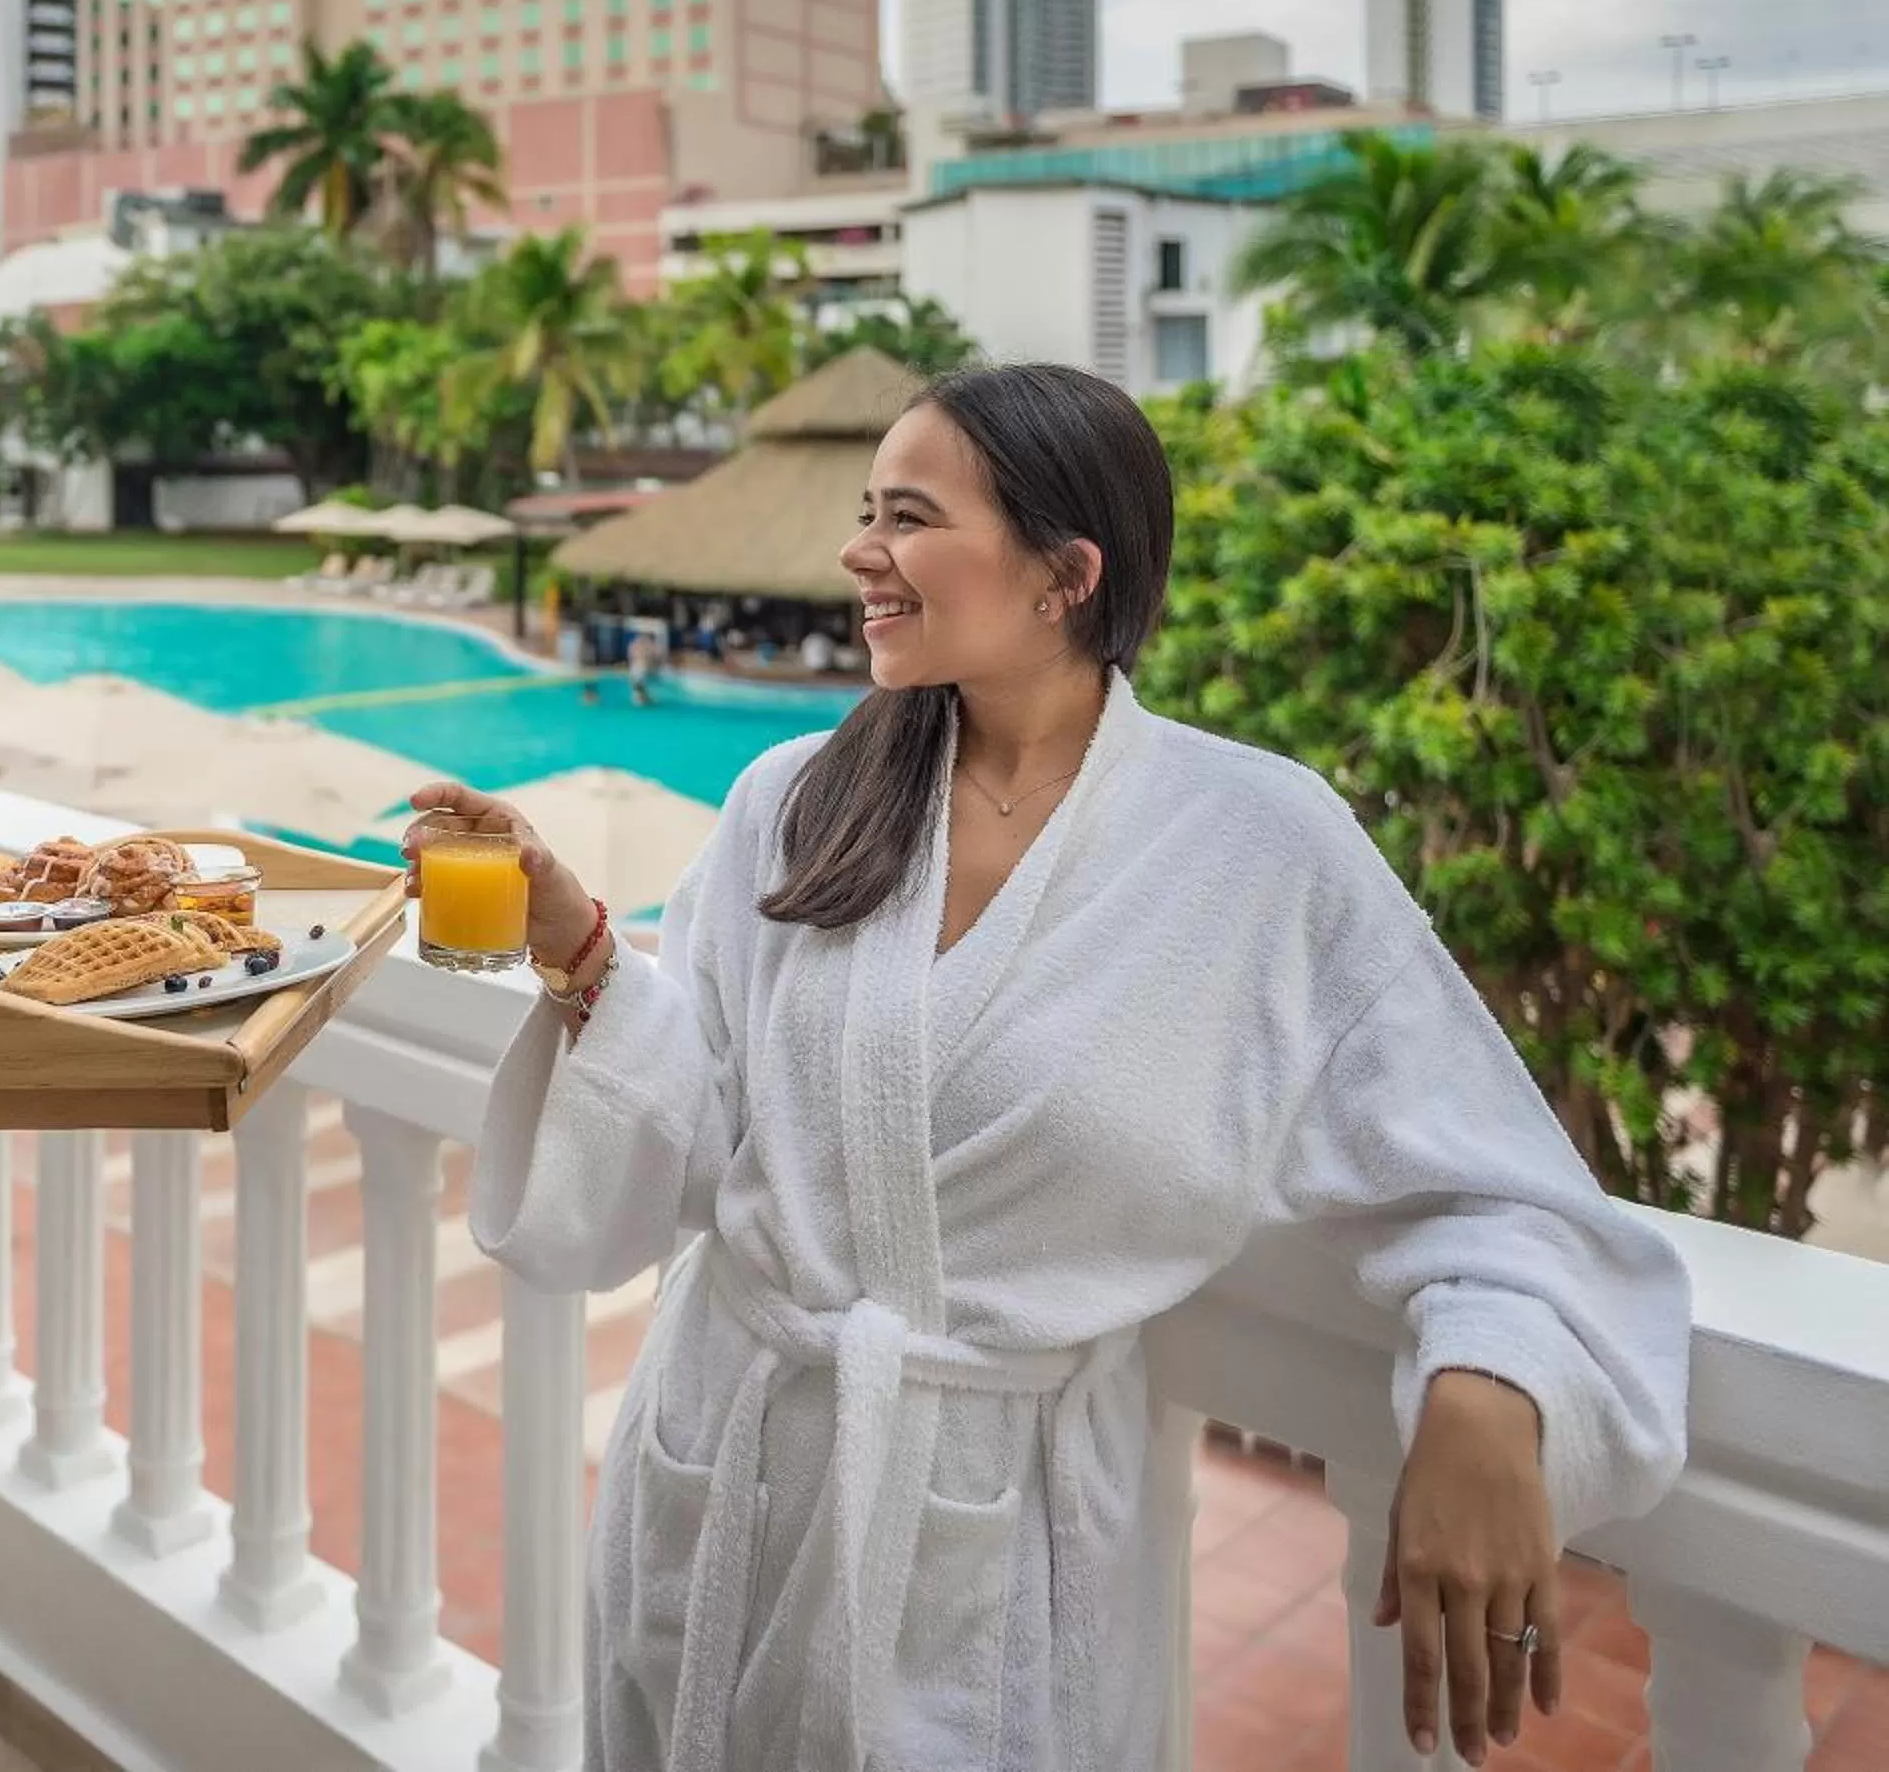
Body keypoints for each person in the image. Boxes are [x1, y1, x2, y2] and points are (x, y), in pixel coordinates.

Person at [405, 364, 1689, 1772]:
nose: (858, 551)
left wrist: (1488, 1386)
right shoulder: (798, 799)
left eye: (907, 517)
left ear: (1065, 575)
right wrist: (578, 941)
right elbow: (704, 1139)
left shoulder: (1259, 848)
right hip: (722, 1487)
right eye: (866, 511)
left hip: (1002, 1555)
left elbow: (1495, 1180)